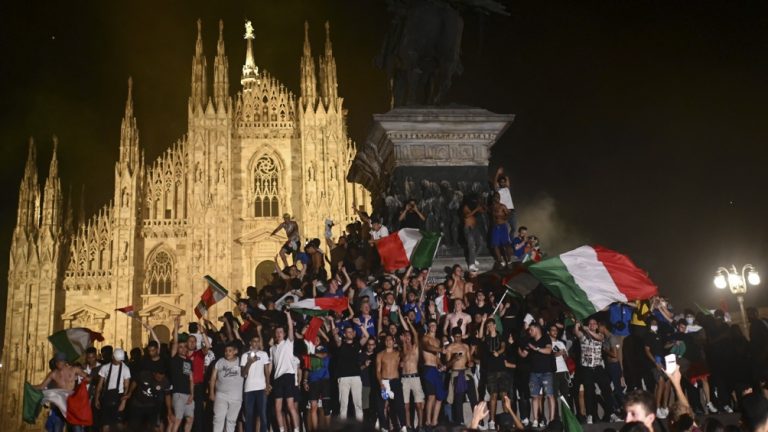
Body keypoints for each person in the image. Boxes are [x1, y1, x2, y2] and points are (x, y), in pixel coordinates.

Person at [574, 319, 619, 424]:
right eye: (590, 324)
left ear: (597, 326)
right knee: (589, 392)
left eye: (594, 324)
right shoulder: (583, 337)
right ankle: (590, 415)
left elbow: (597, 337)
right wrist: (577, 324)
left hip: (598, 367)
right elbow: (576, 331)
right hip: (586, 368)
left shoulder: (600, 336)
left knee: (606, 390)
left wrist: (587, 330)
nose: (592, 325)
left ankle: (611, 413)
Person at [518, 322, 554, 428]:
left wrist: (536, 349)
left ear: (537, 329)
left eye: (531, 330)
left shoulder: (545, 338)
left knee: (550, 396)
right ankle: (535, 420)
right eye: (529, 330)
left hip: (546, 372)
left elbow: (548, 350)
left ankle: (551, 420)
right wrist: (516, 346)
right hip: (534, 373)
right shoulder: (530, 341)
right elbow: (524, 354)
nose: (530, 332)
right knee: (534, 396)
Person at [334, 316, 370, 421]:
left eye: (351, 332)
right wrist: (334, 328)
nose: (350, 333)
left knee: (358, 405)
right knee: (343, 406)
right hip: (343, 378)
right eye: (348, 332)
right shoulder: (341, 344)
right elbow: (336, 337)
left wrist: (360, 324)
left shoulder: (357, 344)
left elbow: (367, 336)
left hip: (356, 377)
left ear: (354, 333)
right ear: (344, 334)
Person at [271, 310, 301, 432]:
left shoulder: (288, 343)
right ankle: (282, 430)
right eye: (277, 332)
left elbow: (290, 328)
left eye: (280, 332)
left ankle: (296, 429)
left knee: (290, 405)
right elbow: (271, 365)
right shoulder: (272, 348)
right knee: (277, 408)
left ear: (283, 334)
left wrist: (288, 315)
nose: (279, 334)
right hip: (277, 379)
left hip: (288, 376)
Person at [125, 362, 172, 431]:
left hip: (152, 406)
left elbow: (167, 396)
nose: (160, 378)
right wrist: (130, 393)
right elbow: (135, 381)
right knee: (134, 426)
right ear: (154, 373)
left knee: (152, 427)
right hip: (138, 403)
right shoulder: (144, 374)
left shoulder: (165, 381)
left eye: (162, 377)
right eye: (158, 377)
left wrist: (169, 410)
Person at [94, 348, 132, 432]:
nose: (118, 361)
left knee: (118, 425)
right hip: (106, 397)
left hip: (119, 397)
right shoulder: (105, 368)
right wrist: (97, 399)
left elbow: (126, 387)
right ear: (112, 357)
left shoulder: (125, 369)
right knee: (105, 425)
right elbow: (100, 385)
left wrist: (123, 402)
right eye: (117, 359)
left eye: (120, 360)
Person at [209, 342, 244, 432]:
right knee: (218, 418)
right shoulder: (220, 361)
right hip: (221, 395)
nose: (227, 353)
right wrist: (212, 393)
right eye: (226, 351)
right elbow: (213, 378)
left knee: (231, 421)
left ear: (235, 351)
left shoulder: (241, 361)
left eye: (230, 351)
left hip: (236, 397)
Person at [445, 327, 476, 425]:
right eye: (456, 337)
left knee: (473, 398)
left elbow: (470, 360)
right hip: (456, 374)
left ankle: (478, 420)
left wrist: (470, 363)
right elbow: (447, 365)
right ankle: (460, 422)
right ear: (453, 337)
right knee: (458, 399)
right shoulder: (449, 348)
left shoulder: (466, 346)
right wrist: (454, 359)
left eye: (459, 336)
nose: (458, 339)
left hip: (466, 372)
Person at [376, 334, 407, 432]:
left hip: (395, 381)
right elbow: (377, 371)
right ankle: (384, 427)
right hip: (384, 382)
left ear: (393, 342)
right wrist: (381, 384)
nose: (388, 341)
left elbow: (405, 354)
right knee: (381, 406)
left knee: (399, 405)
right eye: (386, 340)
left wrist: (403, 342)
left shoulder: (398, 353)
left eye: (390, 340)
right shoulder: (380, 354)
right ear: (384, 342)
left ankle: (403, 426)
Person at [481, 318, 508, 430]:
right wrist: (483, 322)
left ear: (495, 326)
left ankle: (507, 419)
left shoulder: (500, 336)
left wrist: (499, 352)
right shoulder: (486, 338)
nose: (490, 327)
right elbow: (480, 337)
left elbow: (503, 347)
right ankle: (492, 420)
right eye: (488, 325)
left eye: (491, 325)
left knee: (504, 395)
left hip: (501, 369)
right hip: (490, 370)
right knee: (493, 395)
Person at [241, 335, 271, 432]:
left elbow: (267, 371)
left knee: (262, 414)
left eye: (258, 341)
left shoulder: (264, 354)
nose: (256, 343)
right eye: (254, 341)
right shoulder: (245, 355)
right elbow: (243, 374)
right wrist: (249, 362)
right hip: (249, 389)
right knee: (249, 415)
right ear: (250, 342)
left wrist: (267, 385)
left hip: (261, 388)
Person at [400, 314, 425, 430]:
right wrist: (403, 344)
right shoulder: (401, 350)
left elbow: (416, 334)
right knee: (406, 405)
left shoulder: (415, 347)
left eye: (408, 335)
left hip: (415, 377)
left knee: (419, 404)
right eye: (405, 336)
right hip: (404, 378)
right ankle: (408, 425)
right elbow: (402, 362)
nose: (408, 337)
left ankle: (420, 425)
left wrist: (409, 323)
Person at [422, 319, 446, 428]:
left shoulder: (437, 341)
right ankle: (427, 422)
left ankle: (434, 421)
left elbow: (437, 357)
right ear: (428, 327)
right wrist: (440, 350)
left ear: (436, 327)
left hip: (436, 370)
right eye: (431, 325)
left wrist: (441, 364)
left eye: (434, 325)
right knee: (431, 396)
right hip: (428, 368)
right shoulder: (425, 338)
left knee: (440, 396)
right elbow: (427, 347)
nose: (433, 327)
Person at [168, 335, 194, 432]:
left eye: (185, 346)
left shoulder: (189, 362)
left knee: (190, 419)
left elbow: (191, 379)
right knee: (177, 420)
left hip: (188, 394)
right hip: (178, 393)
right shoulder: (174, 359)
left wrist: (192, 394)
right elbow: (174, 343)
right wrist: (175, 327)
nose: (183, 349)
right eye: (180, 347)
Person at [489, 191, 513, 267]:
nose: (496, 198)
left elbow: (509, 214)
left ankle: (509, 260)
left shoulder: (502, 206)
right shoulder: (492, 206)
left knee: (506, 244)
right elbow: (491, 216)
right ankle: (500, 260)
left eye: (498, 197)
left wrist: (504, 218)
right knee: (495, 245)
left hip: (502, 226)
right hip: (495, 227)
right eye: (495, 197)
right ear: (493, 198)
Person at [461, 197, 485, 272]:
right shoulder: (465, 207)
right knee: (471, 246)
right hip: (468, 229)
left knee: (480, 244)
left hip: (475, 228)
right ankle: (471, 265)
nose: (475, 201)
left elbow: (483, 211)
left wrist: (481, 207)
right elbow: (467, 216)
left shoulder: (475, 207)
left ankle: (473, 258)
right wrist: (476, 209)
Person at [494, 166, 516, 233]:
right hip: (503, 211)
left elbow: (507, 179)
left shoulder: (507, 189)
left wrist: (505, 176)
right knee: (504, 228)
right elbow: (495, 183)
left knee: (514, 228)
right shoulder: (498, 190)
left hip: (511, 211)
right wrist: (498, 173)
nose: (503, 183)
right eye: (501, 182)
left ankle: (510, 242)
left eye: (504, 182)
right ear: (499, 183)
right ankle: (504, 242)